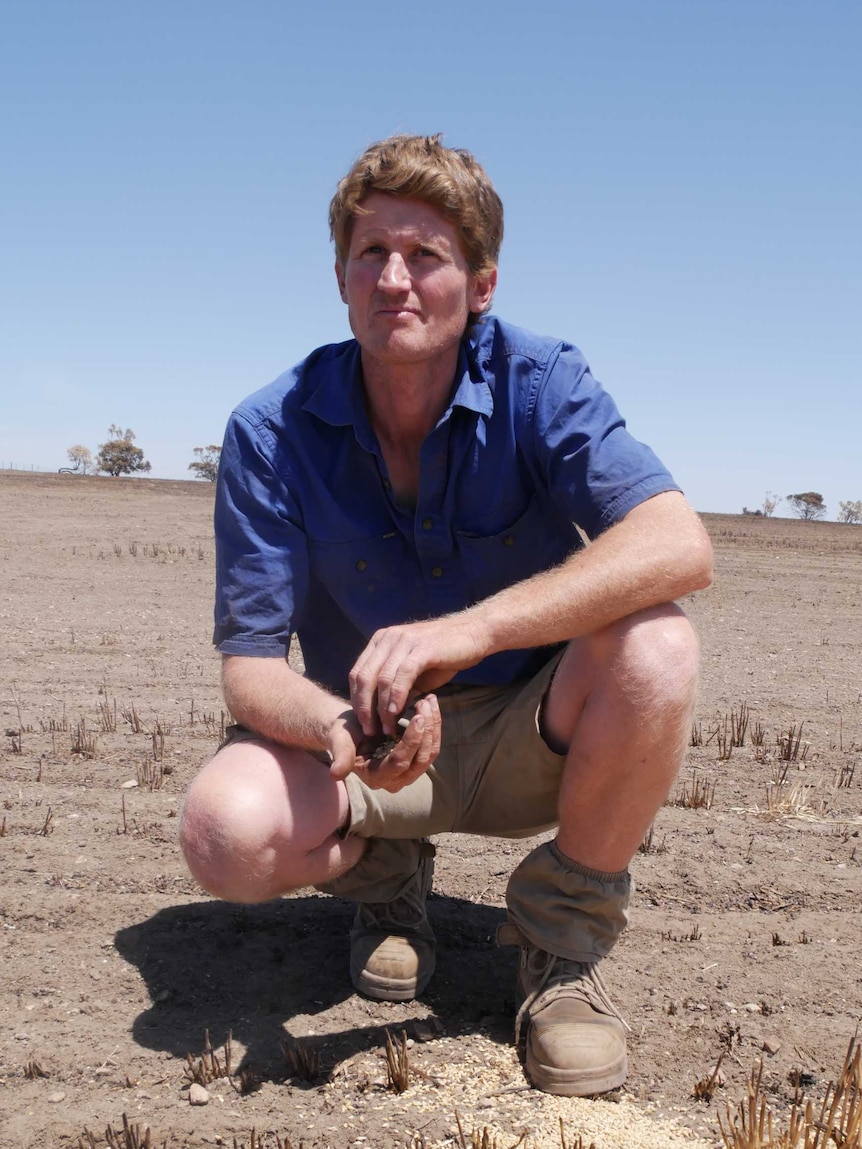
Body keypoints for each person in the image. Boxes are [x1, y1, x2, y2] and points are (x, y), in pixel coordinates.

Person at [180, 133, 713, 1097]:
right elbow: (249, 666)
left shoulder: (542, 382)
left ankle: (562, 947)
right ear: (339, 278)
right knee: (225, 830)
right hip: (371, 747)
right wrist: (343, 725)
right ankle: (384, 886)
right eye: (369, 253)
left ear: (481, 282)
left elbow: (680, 543)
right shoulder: (271, 428)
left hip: (529, 733)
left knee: (659, 644)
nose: (394, 277)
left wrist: (466, 632)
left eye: (425, 254)